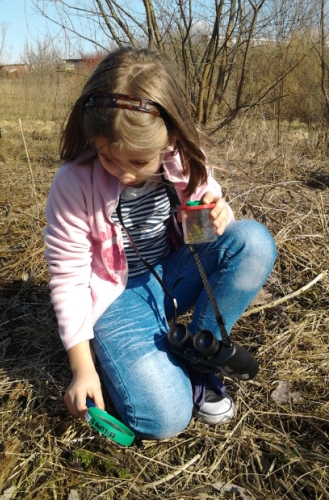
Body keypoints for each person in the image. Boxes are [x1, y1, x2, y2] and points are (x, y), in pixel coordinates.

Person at [44, 47, 277, 439]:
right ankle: (141, 353)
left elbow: (200, 237)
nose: (125, 174)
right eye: (108, 158)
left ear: (169, 135)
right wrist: (82, 367)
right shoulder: (73, 184)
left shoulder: (181, 158)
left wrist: (217, 215)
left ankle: (202, 353)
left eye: (138, 162)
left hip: (172, 273)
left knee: (252, 242)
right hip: (114, 296)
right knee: (165, 418)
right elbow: (68, 280)